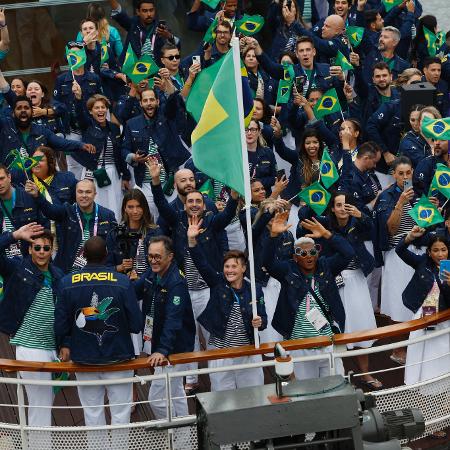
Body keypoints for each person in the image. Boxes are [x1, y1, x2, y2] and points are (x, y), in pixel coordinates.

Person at [55, 236, 141, 446]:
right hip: (119, 358)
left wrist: (64, 344)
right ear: (106, 256)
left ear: (83, 255)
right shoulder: (122, 282)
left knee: (92, 414)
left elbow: (60, 324)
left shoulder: (67, 282)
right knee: (121, 414)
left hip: (84, 360)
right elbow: (136, 324)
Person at [264, 211, 353, 380]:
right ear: (295, 257)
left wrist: (327, 234)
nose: (309, 256)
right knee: (306, 392)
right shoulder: (287, 270)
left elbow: (348, 253)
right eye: (303, 253)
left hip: (327, 342)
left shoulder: (326, 266)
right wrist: (273, 235)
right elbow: (268, 263)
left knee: (336, 387)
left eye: (312, 252)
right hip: (299, 345)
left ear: (317, 253)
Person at [188, 215, 267, 391]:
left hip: (247, 351)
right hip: (220, 352)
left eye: (234, 266)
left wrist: (259, 322)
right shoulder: (217, 283)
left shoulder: (255, 289)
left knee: (253, 397)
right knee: (223, 400)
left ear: (243, 268)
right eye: (227, 266)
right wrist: (192, 241)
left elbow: (264, 320)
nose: (229, 270)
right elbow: (201, 264)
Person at [0, 226, 62, 445]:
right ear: (29, 248)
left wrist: (65, 345)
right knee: (40, 402)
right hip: (29, 346)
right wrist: (14, 236)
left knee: (43, 402)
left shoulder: (58, 275)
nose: (42, 251)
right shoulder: (17, 268)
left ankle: (36, 445)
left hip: (53, 349)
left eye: (46, 247)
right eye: (37, 247)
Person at [134, 235, 195, 419]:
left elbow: (173, 320)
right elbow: (133, 292)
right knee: (176, 393)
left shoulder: (176, 282)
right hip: (160, 342)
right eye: (150, 256)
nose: (153, 260)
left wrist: (162, 350)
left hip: (174, 349)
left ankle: (172, 432)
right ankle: (185, 438)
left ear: (170, 257)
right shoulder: (152, 273)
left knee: (156, 398)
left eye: (157, 257)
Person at [374, 156, 427, 364]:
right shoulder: (387, 197)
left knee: (422, 299)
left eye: (408, 173)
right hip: (397, 254)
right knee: (396, 302)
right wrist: (400, 204)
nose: (405, 177)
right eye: (401, 173)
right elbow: (391, 229)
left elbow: (427, 223)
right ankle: (398, 349)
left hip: (420, 252)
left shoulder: (419, 192)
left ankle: (420, 345)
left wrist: (431, 210)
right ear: (393, 174)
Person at [327, 192, 380, 388]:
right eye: (338, 205)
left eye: (345, 204)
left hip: (357, 279)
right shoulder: (327, 227)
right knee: (337, 328)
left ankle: (365, 374)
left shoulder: (358, 223)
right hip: (333, 282)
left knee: (360, 325)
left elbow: (372, 229)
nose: (342, 208)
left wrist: (361, 215)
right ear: (332, 208)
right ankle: (339, 377)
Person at [121, 87, 190, 220]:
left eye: (152, 100)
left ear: (158, 101)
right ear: (140, 103)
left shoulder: (167, 117)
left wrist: (169, 87)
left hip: (169, 182)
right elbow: (124, 150)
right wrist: (133, 157)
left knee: (174, 219)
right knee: (150, 219)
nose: (149, 103)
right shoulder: (132, 123)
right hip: (145, 183)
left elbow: (173, 103)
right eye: (145, 100)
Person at [27, 179, 117, 273]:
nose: (84, 195)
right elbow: (50, 211)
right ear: (75, 194)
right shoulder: (67, 210)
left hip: (96, 272)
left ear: (95, 194)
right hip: (68, 273)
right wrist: (37, 196)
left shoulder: (107, 215)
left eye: (88, 192)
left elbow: (114, 247)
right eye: (80, 192)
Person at [73, 92, 131, 219]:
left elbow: (120, 153)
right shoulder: (87, 125)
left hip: (113, 173)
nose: (101, 110)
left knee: (115, 205)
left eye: (103, 107)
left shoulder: (114, 128)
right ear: (90, 111)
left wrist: (126, 176)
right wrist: (78, 99)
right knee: (95, 205)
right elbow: (79, 115)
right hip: (93, 171)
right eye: (97, 108)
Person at [0, 95, 95, 165]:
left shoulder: (41, 131)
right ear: (13, 113)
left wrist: (81, 145)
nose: (23, 110)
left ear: (32, 112)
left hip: (38, 180)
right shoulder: (4, 125)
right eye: (19, 108)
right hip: (10, 181)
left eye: (26, 108)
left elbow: (62, 143)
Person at [109, 0, 179, 64]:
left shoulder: (161, 28)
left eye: (151, 10)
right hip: (131, 69)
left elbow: (176, 48)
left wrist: (169, 36)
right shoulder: (132, 24)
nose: (149, 14)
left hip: (154, 70)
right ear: (138, 12)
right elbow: (119, 12)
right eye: (145, 11)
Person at [245, 119, 277, 194]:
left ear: (259, 132)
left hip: (264, 198)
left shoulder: (268, 152)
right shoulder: (238, 154)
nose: (249, 133)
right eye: (246, 129)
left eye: (253, 130)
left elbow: (274, 178)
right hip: (243, 199)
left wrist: (255, 183)